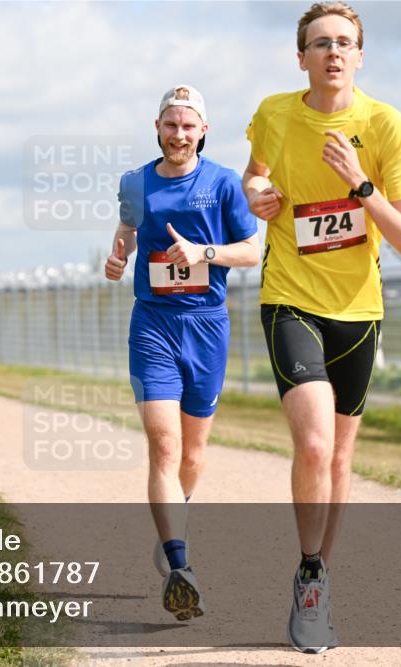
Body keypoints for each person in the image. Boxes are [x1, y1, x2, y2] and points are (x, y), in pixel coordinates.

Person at [242, 1, 401, 653]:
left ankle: (315, 571)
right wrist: (253, 194)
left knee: (341, 455)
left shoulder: (384, 124)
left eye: (345, 42)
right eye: (321, 43)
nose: (333, 52)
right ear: (302, 58)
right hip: (291, 296)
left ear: (360, 56)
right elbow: (254, 179)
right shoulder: (274, 113)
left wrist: (360, 187)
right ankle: (312, 582)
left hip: (359, 313)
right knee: (316, 446)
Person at [104, 85, 259, 621]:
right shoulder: (134, 182)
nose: (179, 134)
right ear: (157, 127)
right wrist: (118, 254)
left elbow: (253, 251)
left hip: (207, 327)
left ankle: (175, 526)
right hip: (153, 325)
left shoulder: (221, 183)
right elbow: (127, 226)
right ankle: (179, 566)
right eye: (171, 125)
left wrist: (204, 252)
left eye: (188, 126)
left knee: (193, 455)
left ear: (203, 131)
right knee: (165, 447)